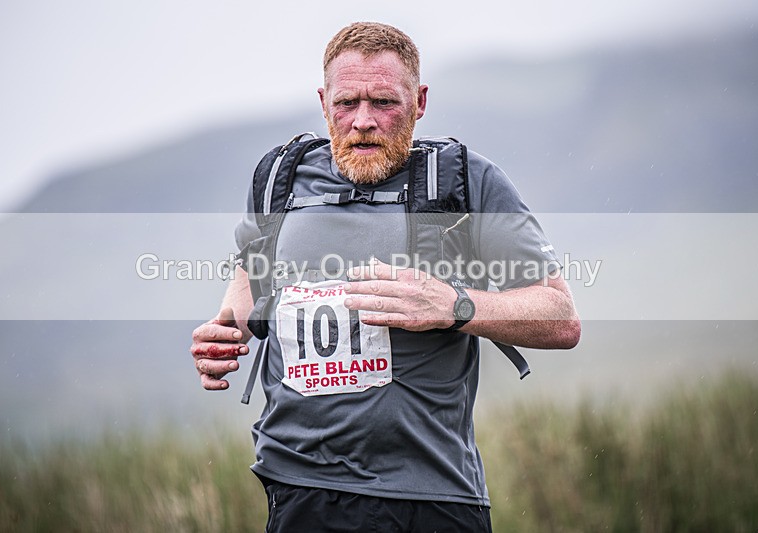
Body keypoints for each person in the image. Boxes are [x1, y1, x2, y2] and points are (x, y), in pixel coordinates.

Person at [190, 22, 580, 532]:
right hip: (299, 488)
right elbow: (251, 274)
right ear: (323, 102)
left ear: (419, 102)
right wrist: (224, 332)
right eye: (347, 103)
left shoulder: (465, 182)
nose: (363, 121)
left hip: (431, 494)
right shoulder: (279, 180)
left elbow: (561, 318)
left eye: (384, 102)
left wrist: (455, 306)